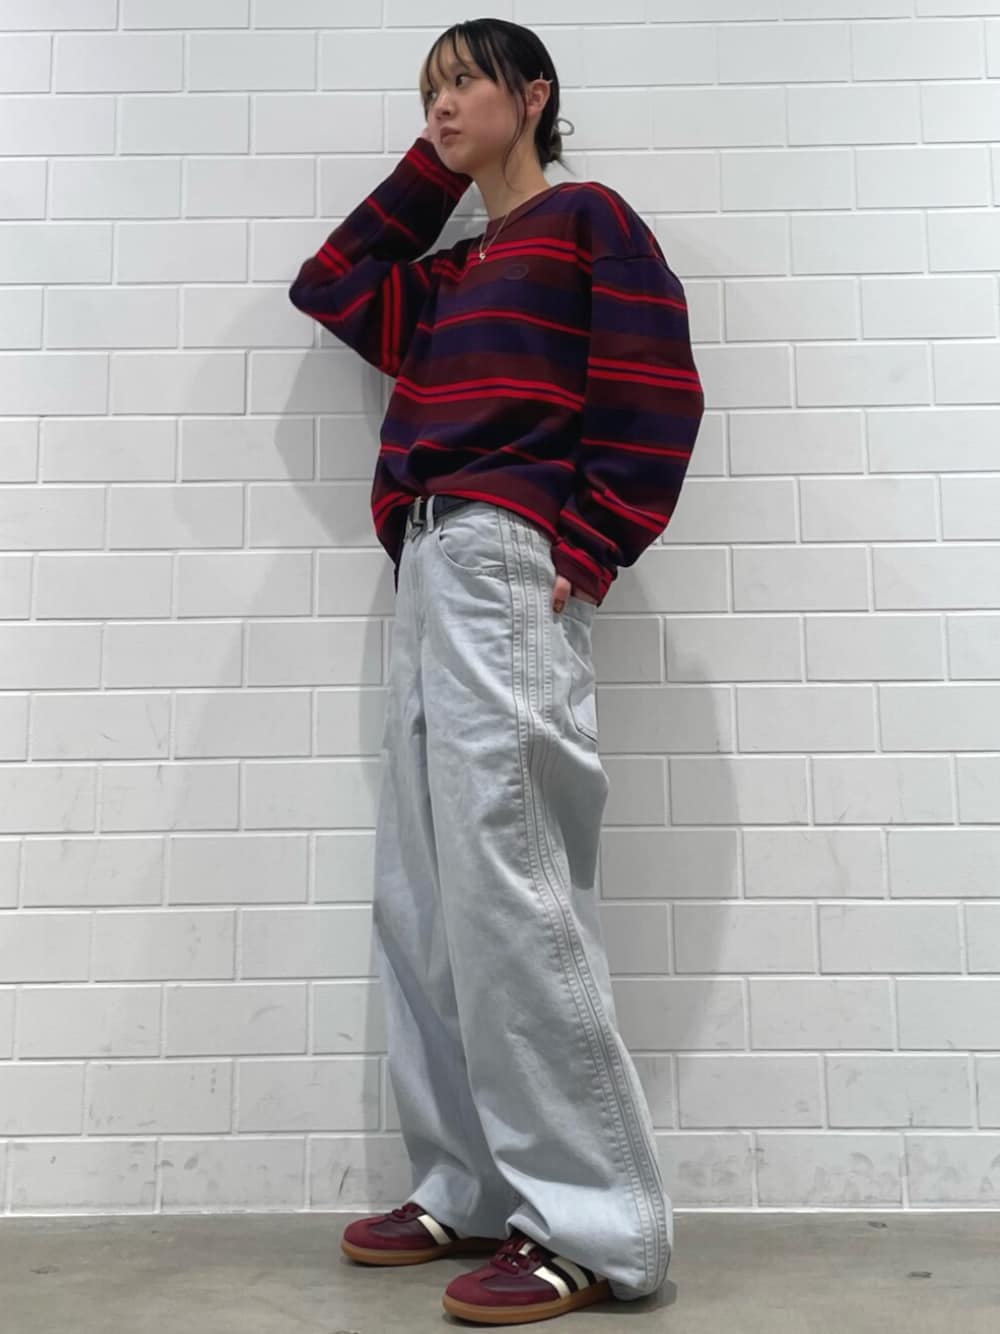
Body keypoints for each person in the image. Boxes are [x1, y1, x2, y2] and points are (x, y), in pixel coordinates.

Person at [288, 18, 704, 1326]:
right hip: (426, 560)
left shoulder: (589, 223)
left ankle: (596, 1229)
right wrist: (438, 166)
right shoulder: (453, 273)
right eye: (429, 90)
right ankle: (466, 1185)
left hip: (509, 556)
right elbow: (331, 281)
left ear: (534, 95)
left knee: (515, 886)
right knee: (427, 898)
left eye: (466, 81)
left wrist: (590, 544)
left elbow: (657, 389)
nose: (443, 104)